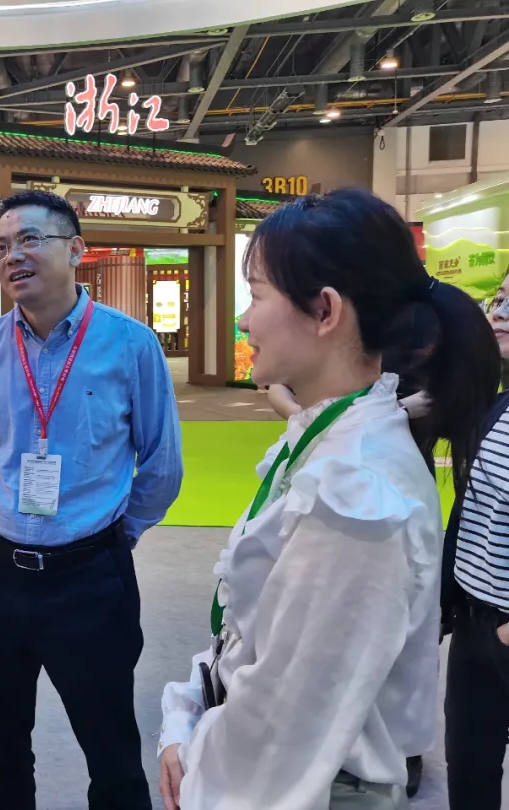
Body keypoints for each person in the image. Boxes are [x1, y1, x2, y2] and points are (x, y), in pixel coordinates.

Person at [158, 188, 499, 810]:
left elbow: (284, 725)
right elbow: (251, 638)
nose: (244, 321)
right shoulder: (329, 440)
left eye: (257, 294)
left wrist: (194, 751)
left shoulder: (357, 493)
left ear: (325, 310)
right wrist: (185, 714)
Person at [0, 189, 182, 810]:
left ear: (76, 250)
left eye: (29, 239)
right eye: (1, 246)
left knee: (111, 753)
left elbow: (162, 463)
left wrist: (113, 536)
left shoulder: (130, 345)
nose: (12, 256)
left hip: (89, 580)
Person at [442, 268, 509, 809]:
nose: (500, 315)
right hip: (473, 621)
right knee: (468, 773)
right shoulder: (499, 406)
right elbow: (469, 511)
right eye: (500, 300)